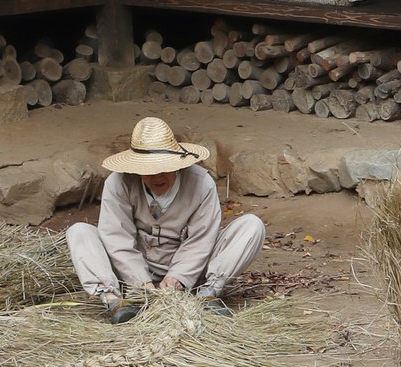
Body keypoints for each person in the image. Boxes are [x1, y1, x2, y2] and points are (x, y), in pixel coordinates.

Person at [66, 116, 265, 323]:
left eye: (163, 169)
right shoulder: (118, 183)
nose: (157, 177)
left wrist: (177, 278)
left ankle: (207, 294)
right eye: (148, 171)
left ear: (178, 165)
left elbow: (200, 241)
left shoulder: (201, 184)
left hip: (191, 273)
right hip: (129, 275)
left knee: (251, 226)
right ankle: (114, 301)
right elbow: (117, 239)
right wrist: (141, 284)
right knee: (79, 232)